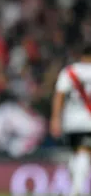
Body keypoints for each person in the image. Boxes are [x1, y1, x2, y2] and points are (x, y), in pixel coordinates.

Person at [51, 44, 91, 196]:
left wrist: (55, 118)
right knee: (84, 153)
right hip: (89, 121)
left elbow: (59, 95)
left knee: (77, 153)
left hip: (72, 121)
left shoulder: (69, 71)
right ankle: (77, 191)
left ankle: (75, 188)